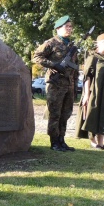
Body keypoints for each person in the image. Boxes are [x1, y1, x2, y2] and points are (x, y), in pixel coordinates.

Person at [33, 15, 78, 152]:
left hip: (68, 84)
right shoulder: (51, 43)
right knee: (55, 114)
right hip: (55, 83)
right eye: (67, 27)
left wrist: (75, 85)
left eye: (70, 27)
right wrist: (54, 65)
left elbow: (75, 66)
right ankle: (54, 142)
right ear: (58, 28)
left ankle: (62, 140)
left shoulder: (71, 46)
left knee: (66, 113)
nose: (69, 29)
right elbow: (36, 57)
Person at [75, 33, 104, 149]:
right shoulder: (93, 58)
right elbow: (87, 77)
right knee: (92, 114)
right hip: (95, 92)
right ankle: (92, 139)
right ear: (98, 44)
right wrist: (86, 95)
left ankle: (101, 143)